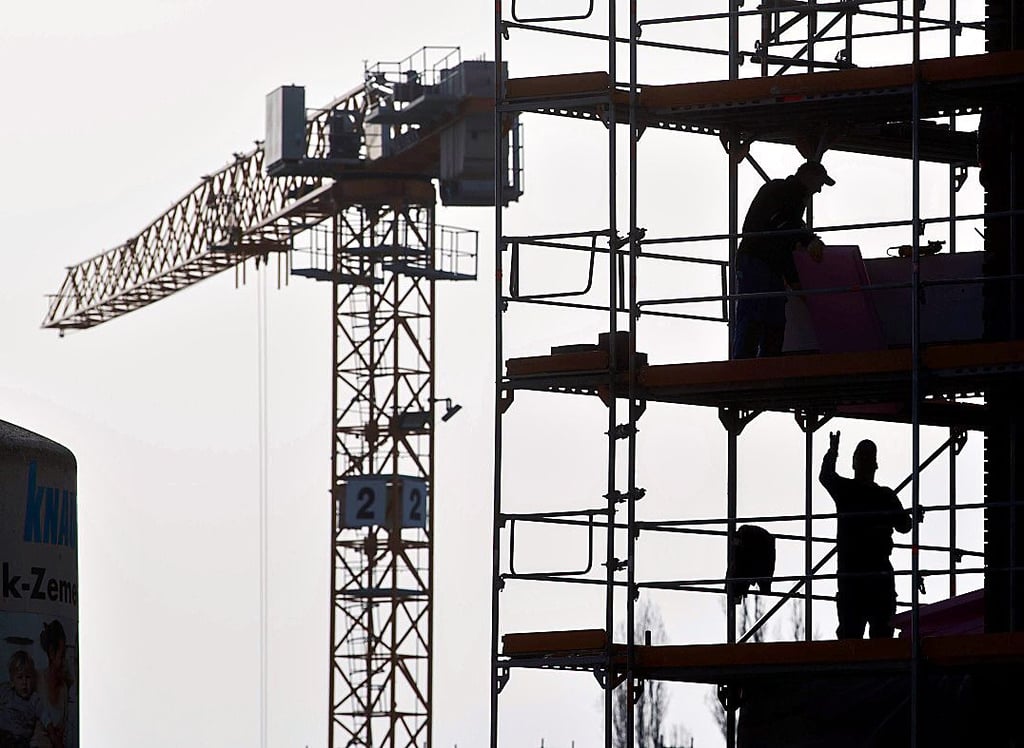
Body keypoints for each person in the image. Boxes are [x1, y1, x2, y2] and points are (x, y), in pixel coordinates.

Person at [819, 431, 918, 639]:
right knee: (879, 639)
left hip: (854, 578)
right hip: (875, 578)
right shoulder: (884, 496)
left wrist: (833, 452)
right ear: (876, 466)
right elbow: (904, 526)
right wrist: (913, 517)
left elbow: (826, 476)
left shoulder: (847, 491)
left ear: (854, 464)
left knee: (852, 639)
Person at [731, 160, 835, 358]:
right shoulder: (786, 194)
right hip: (757, 259)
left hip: (767, 262)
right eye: (819, 183)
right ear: (809, 177)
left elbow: (784, 232)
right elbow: (783, 226)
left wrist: (794, 275)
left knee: (770, 316)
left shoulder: (781, 194)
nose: (819, 190)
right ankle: (750, 363)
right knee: (758, 314)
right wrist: (808, 240)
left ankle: (754, 362)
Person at [31, 622, 72, 748]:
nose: (65, 660)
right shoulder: (36, 678)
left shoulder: (64, 688)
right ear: (52, 653)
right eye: (62, 655)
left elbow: (63, 732)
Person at [0, 650, 39, 748]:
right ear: (12, 681)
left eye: (28, 677)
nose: (24, 682)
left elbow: (45, 717)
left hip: (21, 740)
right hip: (3, 734)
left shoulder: (34, 699)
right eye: (20, 677)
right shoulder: (6, 691)